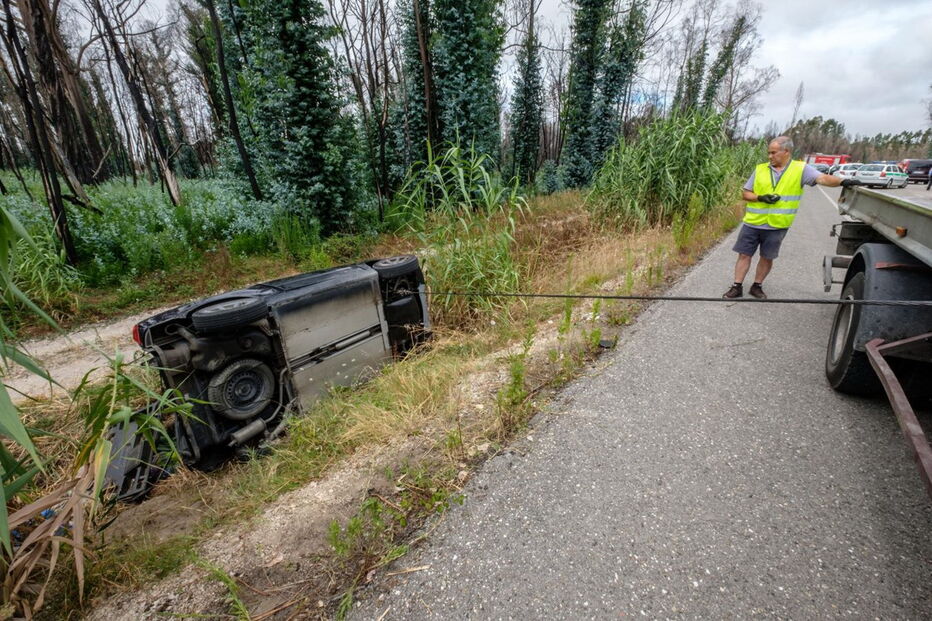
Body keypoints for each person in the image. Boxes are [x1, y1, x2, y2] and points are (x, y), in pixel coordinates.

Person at [722, 137, 861, 299]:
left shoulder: (800, 169)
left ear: (786, 152)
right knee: (744, 255)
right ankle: (736, 286)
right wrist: (760, 198)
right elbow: (745, 193)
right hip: (752, 223)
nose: (770, 156)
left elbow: (822, 178)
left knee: (767, 257)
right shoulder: (760, 169)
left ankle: (757, 286)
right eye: (768, 153)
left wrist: (843, 181)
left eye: (773, 153)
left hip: (777, 226)